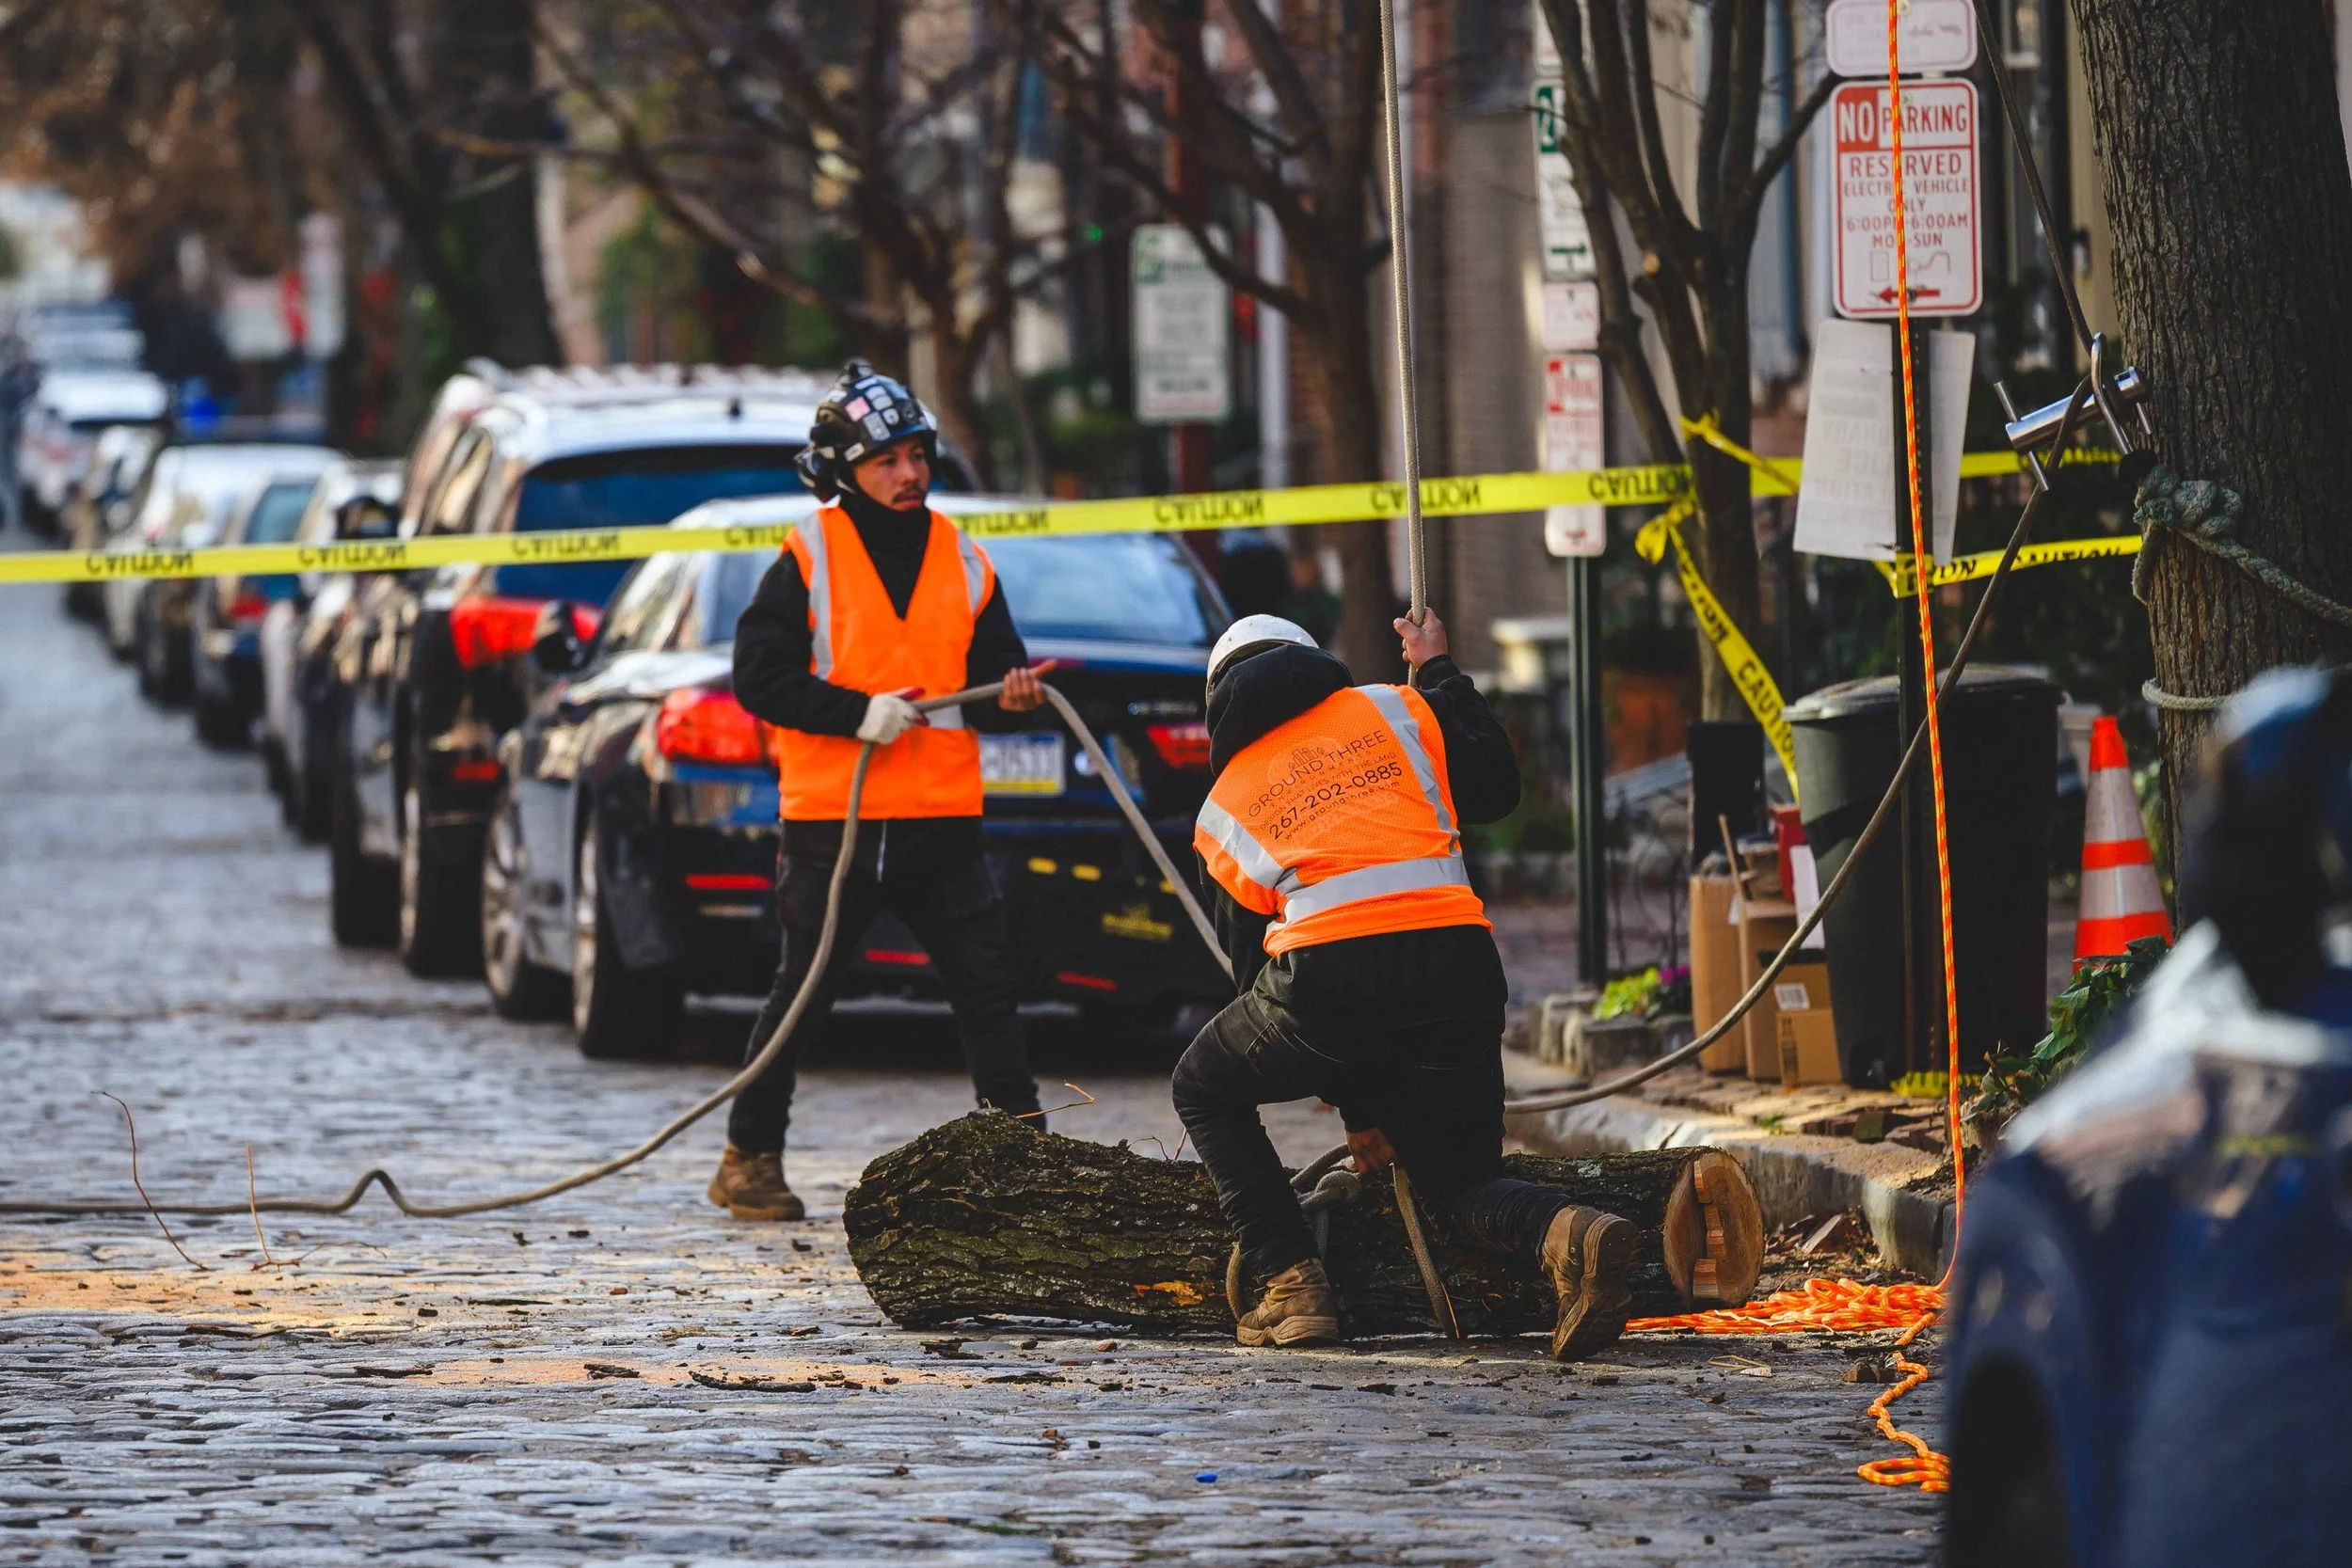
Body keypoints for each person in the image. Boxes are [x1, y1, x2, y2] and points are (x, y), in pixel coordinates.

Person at [1171, 610, 1639, 1358]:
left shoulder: (1223, 806)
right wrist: (1440, 670)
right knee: (1459, 1181)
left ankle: (1292, 1282)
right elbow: (1496, 786)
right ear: (1313, 661)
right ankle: (1569, 1231)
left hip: (1329, 980)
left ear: (1218, 702)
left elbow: (1259, 991)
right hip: (1460, 965)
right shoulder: (1396, 707)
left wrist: (1358, 1107)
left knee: (1202, 1084)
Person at [711, 361, 1052, 1221]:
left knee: (987, 991)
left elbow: (992, 683)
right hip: (837, 819)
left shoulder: (964, 558)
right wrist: (855, 713)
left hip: (941, 815)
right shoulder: (809, 553)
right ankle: (749, 1158)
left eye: (917, 455)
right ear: (843, 472)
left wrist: (1015, 697)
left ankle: (1026, 1163)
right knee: (803, 993)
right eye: (887, 460)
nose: (910, 473)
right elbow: (758, 676)